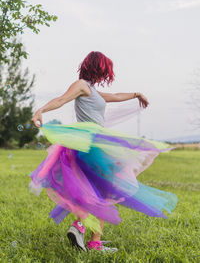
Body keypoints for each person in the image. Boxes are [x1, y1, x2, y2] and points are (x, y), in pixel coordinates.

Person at [30, 51, 177, 253]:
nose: (106, 76)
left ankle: (89, 236)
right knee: (107, 190)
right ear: (97, 67)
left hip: (94, 143)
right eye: (105, 70)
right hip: (91, 144)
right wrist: (41, 111)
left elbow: (115, 96)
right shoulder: (81, 85)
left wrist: (136, 94)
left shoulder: (93, 90)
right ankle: (84, 231)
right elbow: (61, 99)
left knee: (103, 191)